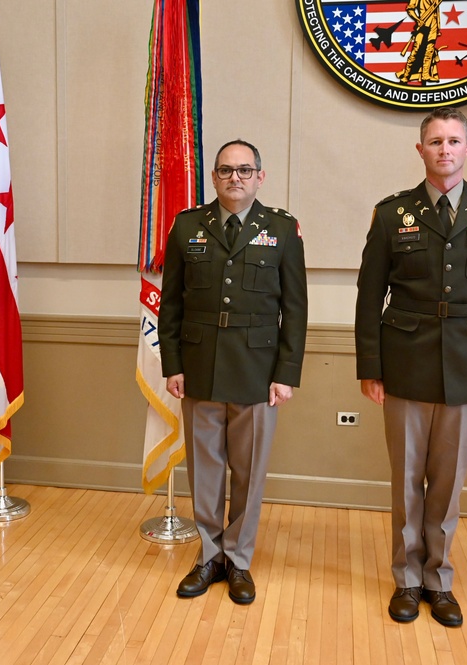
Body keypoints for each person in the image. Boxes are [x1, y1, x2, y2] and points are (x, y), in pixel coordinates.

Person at [355, 107, 467, 627]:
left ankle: (439, 580)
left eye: (454, 141)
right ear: (420, 149)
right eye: (435, 141)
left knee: (448, 484)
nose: (445, 149)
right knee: (407, 479)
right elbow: (369, 295)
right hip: (405, 361)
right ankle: (406, 579)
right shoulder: (392, 214)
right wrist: (370, 366)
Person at [158, 139, 308, 605]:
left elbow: (295, 309)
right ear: (214, 177)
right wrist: (173, 364)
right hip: (200, 367)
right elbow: (172, 306)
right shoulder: (187, 227)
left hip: (257, 371)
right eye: (225, 170)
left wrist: (285, 373)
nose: (235, 178)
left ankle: (238, 560)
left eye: (245, 170)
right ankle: (208, 556)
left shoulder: (281, 229)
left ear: (260, 176)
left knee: (248, 470)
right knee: (204, 469)